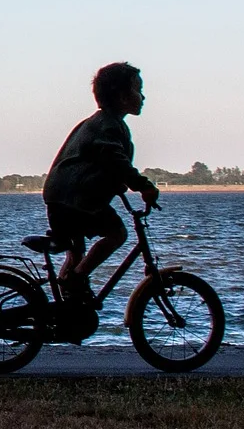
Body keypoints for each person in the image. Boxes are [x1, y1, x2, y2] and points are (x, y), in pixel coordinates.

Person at [41, 61, 160, 303]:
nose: (143, 96)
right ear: (122, 96)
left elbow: (101, 166)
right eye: (138, 89)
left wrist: (118, 186)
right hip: (76, 202)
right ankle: (75, 281)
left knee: (76, 253)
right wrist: (143, 185)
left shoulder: (98, 123)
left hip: (63, 201)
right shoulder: (108, 126)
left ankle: (67, 305)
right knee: (117, 234)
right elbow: (115, 160)